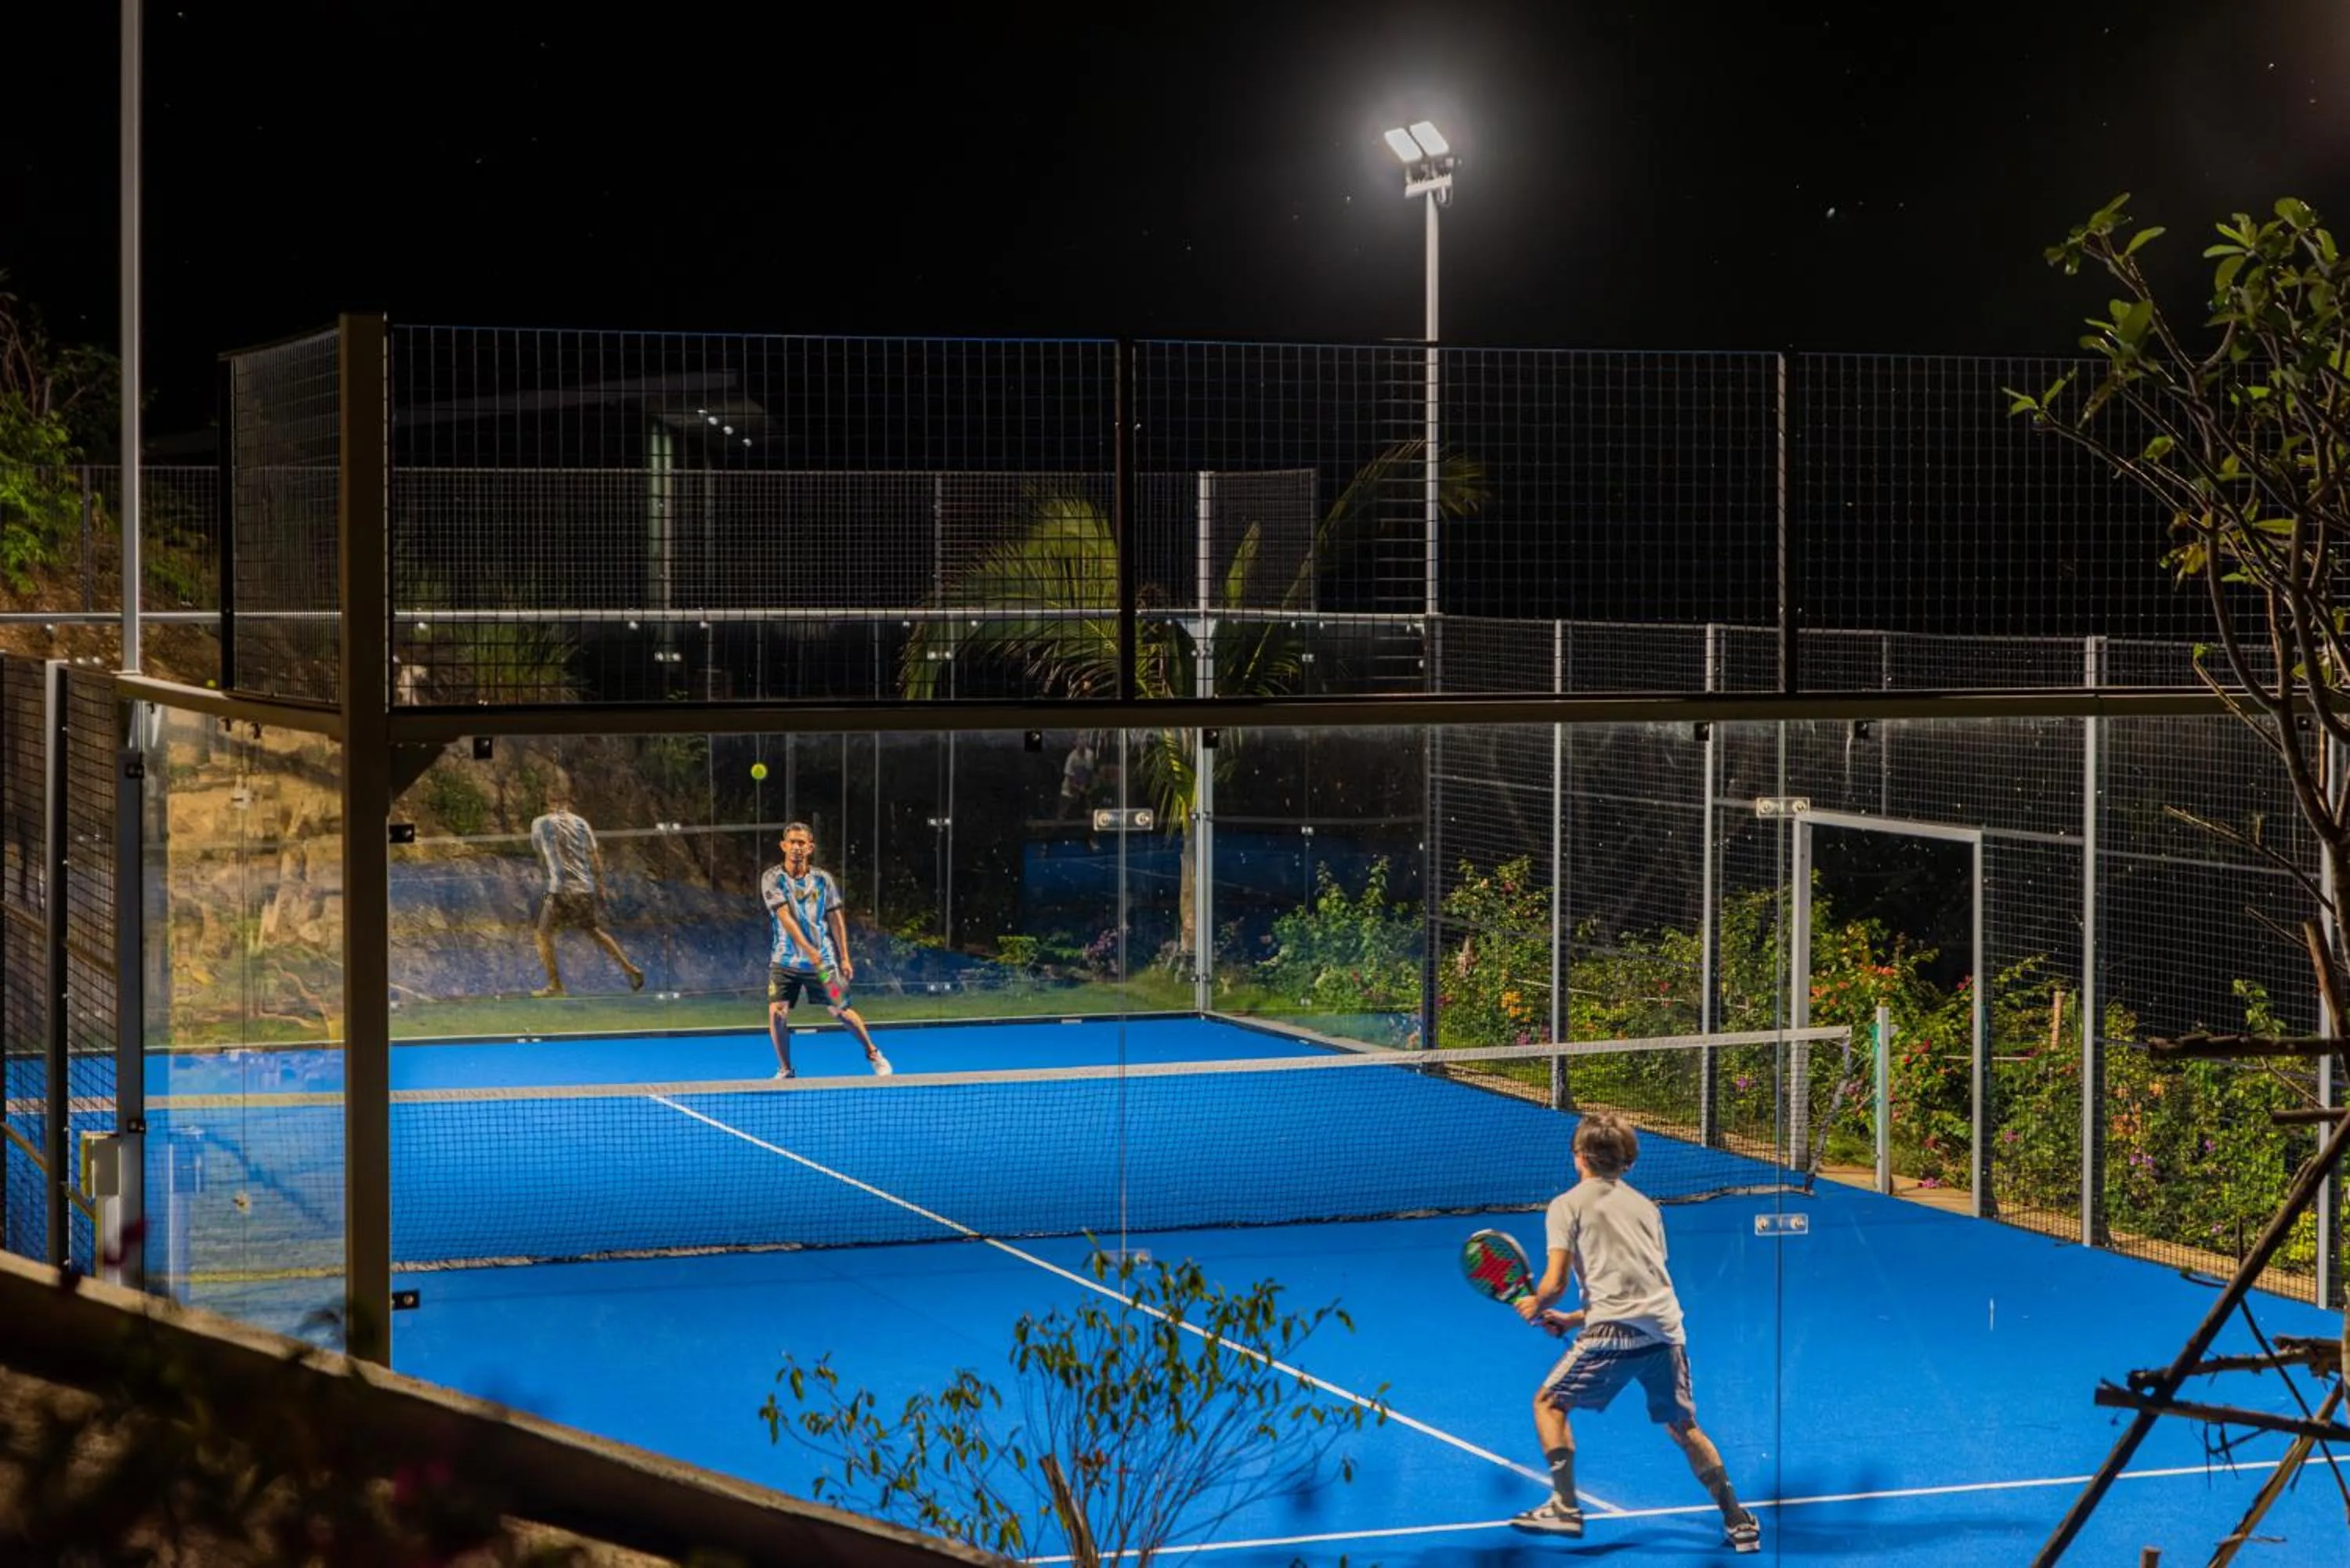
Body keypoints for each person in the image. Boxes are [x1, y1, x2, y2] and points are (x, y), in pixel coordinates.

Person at [1510, 1110, 1762, 1554]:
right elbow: (1635, 1285)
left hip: (1613, 1334)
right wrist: (1571, 1320)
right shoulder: (1647, 1208)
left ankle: (1564, 1506)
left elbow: (1555, 1283)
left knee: (1548, 1404)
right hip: (1666, 1332)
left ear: (1579, 1157)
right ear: (1628, 1161)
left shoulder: (1566, 1205)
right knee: (1684, 1427)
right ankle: (1738, 1520)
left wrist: (1539, 1303)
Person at [761, 822, 891, 1078]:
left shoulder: (823, 880)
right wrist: (809, 950)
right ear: (783, 846)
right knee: (777, 1012)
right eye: (792, 842)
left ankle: (873, 1053)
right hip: (784, 964)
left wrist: (844, 957)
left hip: (823, 966)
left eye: (802, 843)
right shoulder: (772, 878)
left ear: (810, 848)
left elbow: (835, 918)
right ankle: (786, 1069)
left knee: (841, 1010)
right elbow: (785, 917)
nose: (797, 847)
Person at [528, 794, 644, 998]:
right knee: (593, 930)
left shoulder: (540, 822)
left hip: (559, 889)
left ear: (549, 804)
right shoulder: (581, 823)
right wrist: (600, 887)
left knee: (542, 933)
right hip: (584, 888)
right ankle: (630, 968)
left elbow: (539, 852)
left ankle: (556, 985)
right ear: (568, 803)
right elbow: (594, 856)